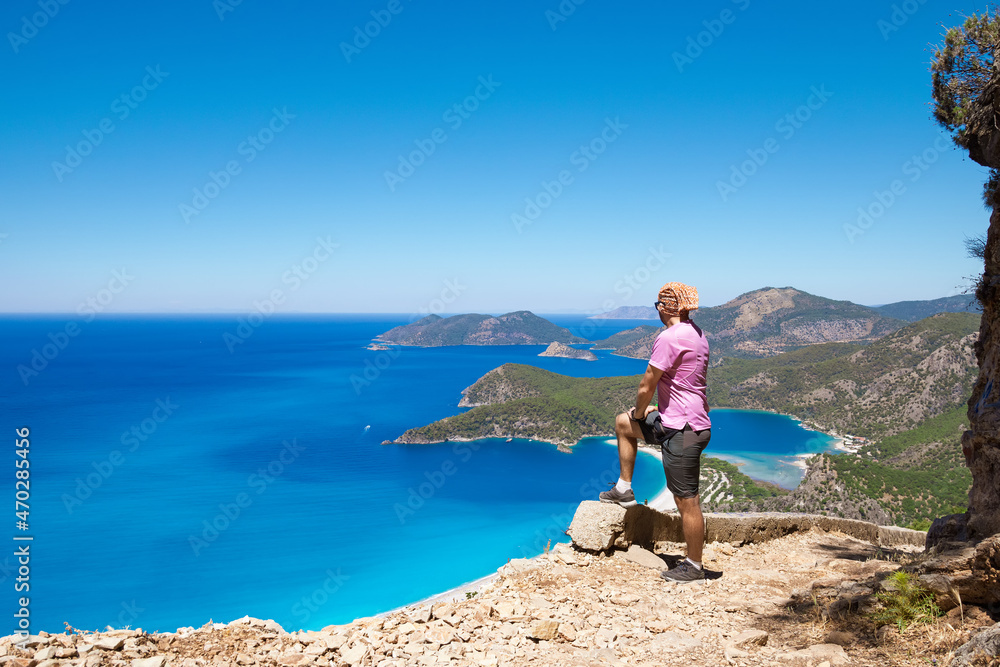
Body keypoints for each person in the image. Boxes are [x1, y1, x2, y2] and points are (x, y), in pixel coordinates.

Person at [598, 282, 712, 583]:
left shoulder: (669, 337)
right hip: (683, 422)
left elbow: (647, 384)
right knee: (623, 424)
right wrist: (638, 417)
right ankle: (624, 489)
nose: (657, 310)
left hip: (683, 430)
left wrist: (641, 411)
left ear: (664, 307)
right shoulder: (699, 334)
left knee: (686, 499)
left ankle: (694, 566)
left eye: (657, 305)